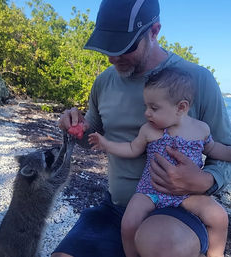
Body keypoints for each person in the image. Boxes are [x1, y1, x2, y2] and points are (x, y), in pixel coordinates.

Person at [52, 0, 231, 256]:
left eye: (124, 47)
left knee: (161, 246)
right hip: (115, 207)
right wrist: (76, 129)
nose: (113, 57)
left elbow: (223, 150)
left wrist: (205, 180)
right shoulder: (104, 82)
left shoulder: (197, 80)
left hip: (179, 210)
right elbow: (93, 136)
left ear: (154, 31)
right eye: (108, 47)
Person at [88, 67, 230, 257]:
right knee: (129, 223)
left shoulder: (201, 129)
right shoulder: (149, 130)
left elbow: (215, 149)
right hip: (150, 191)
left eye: (154, 108)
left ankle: (216, 254)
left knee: (219, 217)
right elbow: (131, 149)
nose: (146, 113)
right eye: (146, 106)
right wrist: (105, 144)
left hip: (188, 193)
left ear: (181, 107)